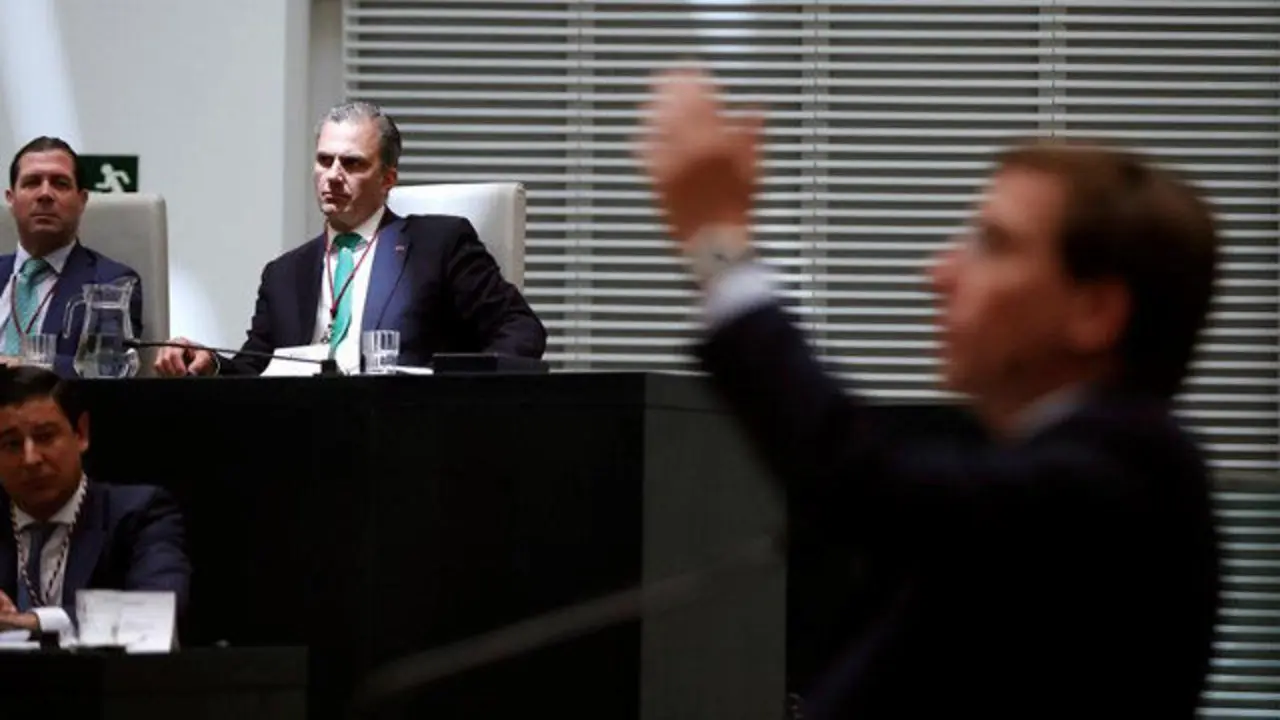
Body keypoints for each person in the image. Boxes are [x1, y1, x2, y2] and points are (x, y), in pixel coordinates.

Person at [638, 69, 1220, 718]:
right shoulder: (1029, 468)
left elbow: (861, 480)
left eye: (993, 243)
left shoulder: (1124, 478)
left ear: (1095, 311)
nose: (936, 273)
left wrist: (718, 246)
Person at [154, 101, 546, 376]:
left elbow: (520, 329)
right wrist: (210, 362)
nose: (333, 175)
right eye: (325, 160)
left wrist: (458, 397)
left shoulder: (438, 245)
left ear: (388, 178)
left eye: (352, 163)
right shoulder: (285, 273)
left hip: (405, 432)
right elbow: (257, 366)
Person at [0, 366, 189, 637]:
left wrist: (34, 622)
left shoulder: (139, 513)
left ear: (81, 434)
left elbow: (156, 611)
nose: (30, 459)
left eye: (45, 437)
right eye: (11, 444)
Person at [3, 137, 143, 377]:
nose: (45, 194)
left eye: (60, 183)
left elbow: (107, 369)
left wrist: (21, 364)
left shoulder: (111, 283)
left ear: (82, 200)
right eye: (32, 182)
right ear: (11, 199)